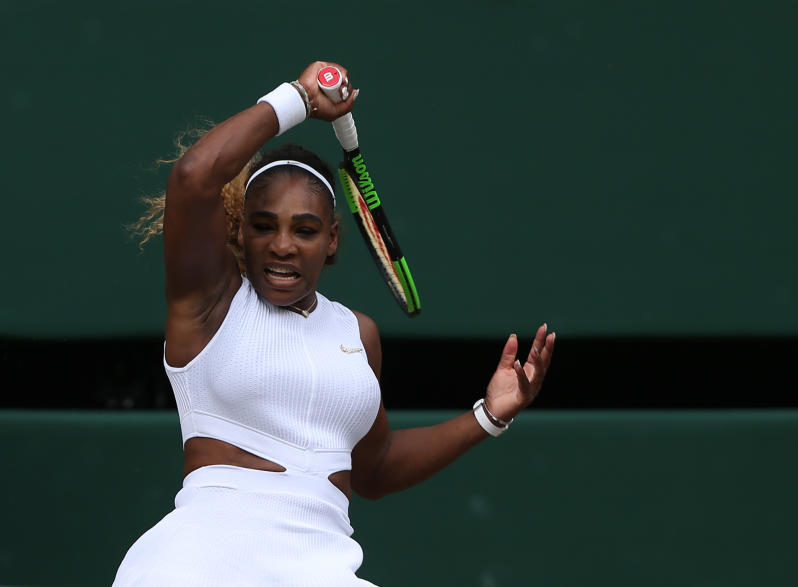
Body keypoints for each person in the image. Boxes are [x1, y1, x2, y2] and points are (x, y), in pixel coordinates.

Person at [113, 60, 556, 586]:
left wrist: (488, 416)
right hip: (200, 564)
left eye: (304, 229)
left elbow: (375, 468)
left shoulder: (356, 333)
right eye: (263, 226)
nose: (281, 245)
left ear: (332, 240)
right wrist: (299, 98)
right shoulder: (211, 302)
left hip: (322, 569)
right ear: (241, 232)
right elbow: (193, 177)